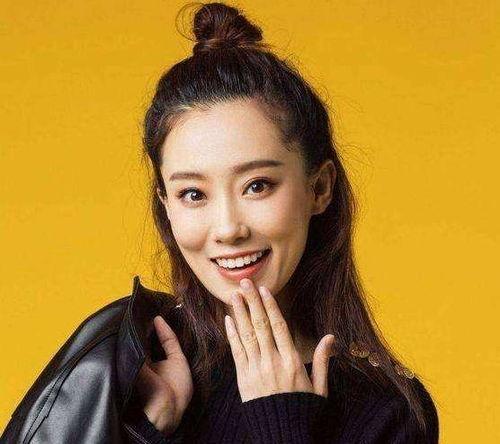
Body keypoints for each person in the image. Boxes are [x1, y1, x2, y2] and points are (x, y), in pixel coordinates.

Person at [1, 2, 439, 443]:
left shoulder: (390, 411)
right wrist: (148, 433)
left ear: (319, 188)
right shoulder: (133, 365)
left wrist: (282, 422)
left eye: (257, 186)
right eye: (193, 194)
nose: (228, 228)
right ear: (166, 205)